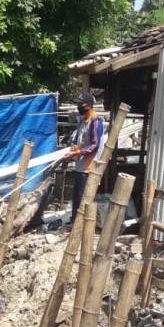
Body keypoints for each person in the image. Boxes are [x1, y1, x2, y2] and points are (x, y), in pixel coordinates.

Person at [64, 92, 104, 228]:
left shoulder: (95, 121)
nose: (79, 107)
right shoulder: (83, 121)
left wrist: (77, 152)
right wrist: (72, 150)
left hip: (89, 167)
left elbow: (94, 145)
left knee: (83, 198)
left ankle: (80, 227)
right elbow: (81, 141)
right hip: (80, 165)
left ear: (89, 105)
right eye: (78, 104)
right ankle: (74, 222)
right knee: (76, 196)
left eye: (81, 104)